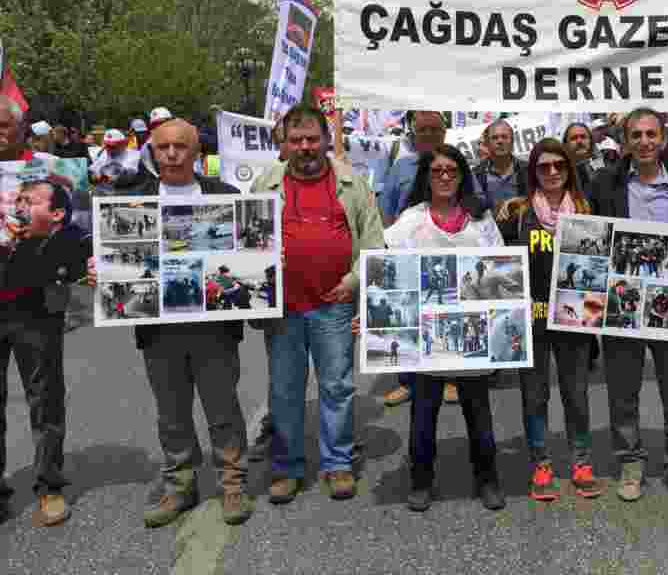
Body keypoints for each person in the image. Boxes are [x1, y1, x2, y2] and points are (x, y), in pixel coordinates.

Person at [86, 118, 253, 527]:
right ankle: (179, 485)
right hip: (159, 328)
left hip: (214, 327)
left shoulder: (227, 196)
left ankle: (233, 483)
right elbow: (117, 260)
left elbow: (249, 258)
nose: (173, 153)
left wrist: (264, 262)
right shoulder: (129, 200)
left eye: (181, 146)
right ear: (152, 152)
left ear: (197, 153)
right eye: (163, 147)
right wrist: (100, 270)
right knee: (171, 411)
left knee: (223, 408)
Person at [249, 104, 384, 503]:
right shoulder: (265, 183)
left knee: (338, 386)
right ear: (284, 144)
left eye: (312, 139)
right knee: (285, 390)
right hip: (285, 308)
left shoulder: (352, 183)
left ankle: (338, 462)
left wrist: (353, 281)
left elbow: (374, 243)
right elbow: (247, 243)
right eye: (296, 140)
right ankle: (287, 467)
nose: (305, 147)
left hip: (334, 304)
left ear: (326, 140)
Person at [587, 107, 668, 505]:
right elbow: (585, 231)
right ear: (625, 140)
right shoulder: (605, 183)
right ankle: (630, 461)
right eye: (636, 135)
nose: (643, 142)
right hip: (621, 303)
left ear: (662, 138)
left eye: (650, 134)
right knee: (623, 390)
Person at [385, 144, 506, 513]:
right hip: (425, 338)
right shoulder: (410, 220)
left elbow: (500, 268)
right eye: (436, 170)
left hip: (472, 336)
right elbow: (389, 269)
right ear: (426, 176)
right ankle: (421, 479)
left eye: (451, 169)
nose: (444, 176)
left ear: (462, 175)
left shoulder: (480, 219)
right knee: (423, 415)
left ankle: (487, 478)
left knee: (479, 414)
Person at [496, 138, 602, 502]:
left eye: (559, 165)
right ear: (534, 172)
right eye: (544, 167)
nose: (552, 172)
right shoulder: (519, 213)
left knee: (576, 394)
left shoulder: (588, 208)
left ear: (569, 168)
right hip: (533, 318)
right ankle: (540, 462)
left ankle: (581, 461)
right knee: (534, 395)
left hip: (575, 317)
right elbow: (498, 257)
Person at [1, 179, 91, 527]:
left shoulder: (63, 241)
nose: (19, 205)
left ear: (55, 214)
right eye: (17, 199)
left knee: (45, 400)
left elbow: (81, 263)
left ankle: (49, 486)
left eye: (29, 200)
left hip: (36, 317)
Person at [377, 111, 449, 408]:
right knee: (406, 319)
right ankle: (408, 381)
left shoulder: (454, 166)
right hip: (406, 256)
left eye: (435, 129)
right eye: (423, 130)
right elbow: (385, 210)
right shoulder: (400, 168)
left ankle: (450, 379)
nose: (429, 135)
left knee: (445, 317)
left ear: (444, 134)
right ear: (413, 134)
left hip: (444, 254)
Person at [473, 119, 528, 210]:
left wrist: (522, 201)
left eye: (504, 137)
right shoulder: (476, 174)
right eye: (494, 138)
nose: (500, 141)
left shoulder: (529, 170)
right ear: (487, 143)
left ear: (512, 141)